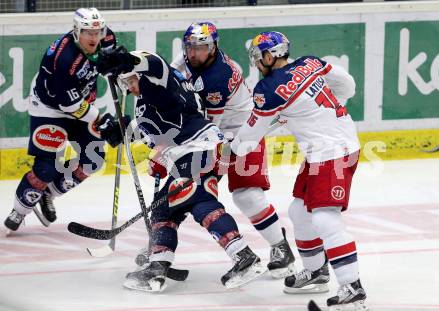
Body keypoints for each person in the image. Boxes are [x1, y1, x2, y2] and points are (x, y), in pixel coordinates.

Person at [96, 49, 266, 292]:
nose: (130, 87)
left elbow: (155, 64)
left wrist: (126, 60)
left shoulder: (162, 82)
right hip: (186, 153)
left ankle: (244, 256)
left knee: (189, 196)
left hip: (199, 145)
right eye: (126, 83)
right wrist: (118, 131)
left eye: (132, 80)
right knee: (165, 208)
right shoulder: (146, 103)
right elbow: (150, 128)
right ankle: (157, 267)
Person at [229, 31, 368, 310]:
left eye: (257, 58)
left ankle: (352, 286)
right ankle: (317, 271)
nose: (256, 64)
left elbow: (246, 141)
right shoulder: (310, 62)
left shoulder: (267, 91)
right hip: (326, 149)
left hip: (333, 153)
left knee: (325, 219)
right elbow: (348, 86)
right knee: (299, 211)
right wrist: (314, 113)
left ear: (270, 56)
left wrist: (227, 149)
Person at [170, 21, 295, 279]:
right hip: (209, 132)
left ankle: (281, 248)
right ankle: (159, 247)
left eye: (201, 48)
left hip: (243, 132)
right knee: (184, 190)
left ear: (214, 47)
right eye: (190, 47)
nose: (193, 53)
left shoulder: (220, 75)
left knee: (246, 196)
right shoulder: (183, 63)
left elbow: (210, 128)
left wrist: (193, 151)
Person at [4, 8, 117, 231]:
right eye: (88, 33)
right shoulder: (62, 59)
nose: (95, 37)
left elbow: (114, 61)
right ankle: (20, 210)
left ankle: (49, 194)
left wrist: (121, 70)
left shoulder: (106, 37)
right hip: (50, 108)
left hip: (81, 101)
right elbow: (69, 105)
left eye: (97, 32)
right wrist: (100, 118)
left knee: (93, 160)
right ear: (76, 31)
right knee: (46, 168)